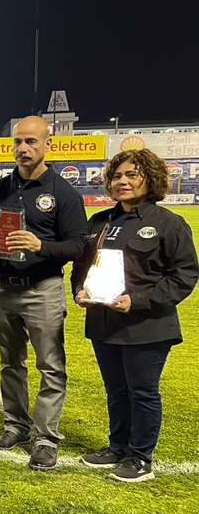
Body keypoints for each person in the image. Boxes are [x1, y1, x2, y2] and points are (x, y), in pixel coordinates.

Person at [71, 149, 198, 482]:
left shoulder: (169, 224)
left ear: (151, 179)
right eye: (117, 176)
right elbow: (82, 266)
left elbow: (184, 276)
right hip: (103, 323)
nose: (122, 181)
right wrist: (80, 291)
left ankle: (141, 457)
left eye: (132, 175)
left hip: (147, 325)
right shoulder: (99, 222)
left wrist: (139, 301)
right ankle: (117, 447)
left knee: (142, 391)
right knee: (116, 390)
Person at [0, 116, 87, 469]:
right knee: (11, 363)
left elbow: (78, 247)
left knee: (51, 366)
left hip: (43, 289)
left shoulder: (63, 193)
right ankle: (16, 426)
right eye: (18, 142)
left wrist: (41, 246)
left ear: (47, 145)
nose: (23, 149)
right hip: (3, 289)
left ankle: (46, 438)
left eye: (31, 142)